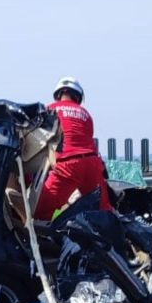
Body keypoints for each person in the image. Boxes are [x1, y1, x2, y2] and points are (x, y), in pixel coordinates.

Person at [34, 77, 111, 220]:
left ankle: (44, 240)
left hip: (67, 165)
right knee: (104, 211)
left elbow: (40, 140)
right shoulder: (86, 114)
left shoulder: (49, 109)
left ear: (58, 95)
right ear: (77, 96)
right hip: (92, 163)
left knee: (39, 212)